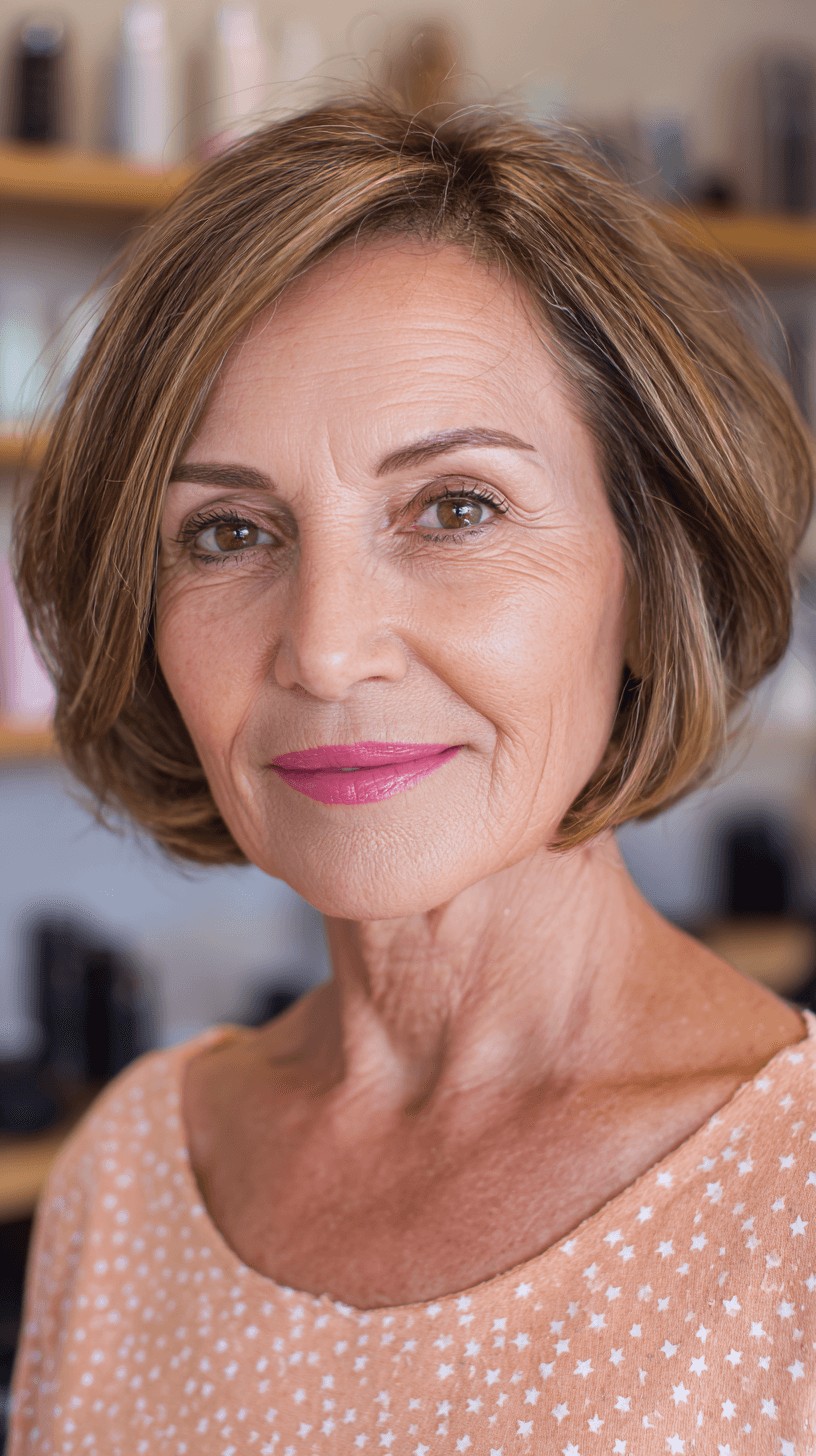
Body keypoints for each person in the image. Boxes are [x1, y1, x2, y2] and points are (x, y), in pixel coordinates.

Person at [7, 89, 816, 1454]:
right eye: (228, 534)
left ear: (649, 556)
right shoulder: (130, 1174)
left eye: (455, 508)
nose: (323, 651)